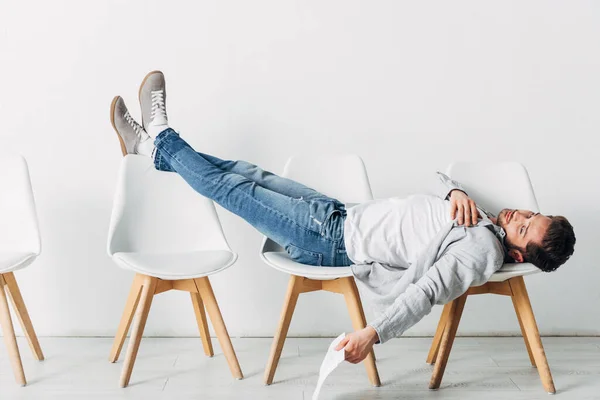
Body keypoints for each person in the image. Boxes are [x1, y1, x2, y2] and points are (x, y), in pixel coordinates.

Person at [110, 71, 576, 366]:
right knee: (242, 172)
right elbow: (440, 176)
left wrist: (372, 335)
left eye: (522, 226)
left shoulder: (480, 250)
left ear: (517, 252)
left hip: (330, 239)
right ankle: (149, 148)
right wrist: (454, 189)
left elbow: (427, 293)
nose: (518, 213)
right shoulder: (487, 222)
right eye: (530, 213)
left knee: (230, 189)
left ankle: (161, 135)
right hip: (338, 212)